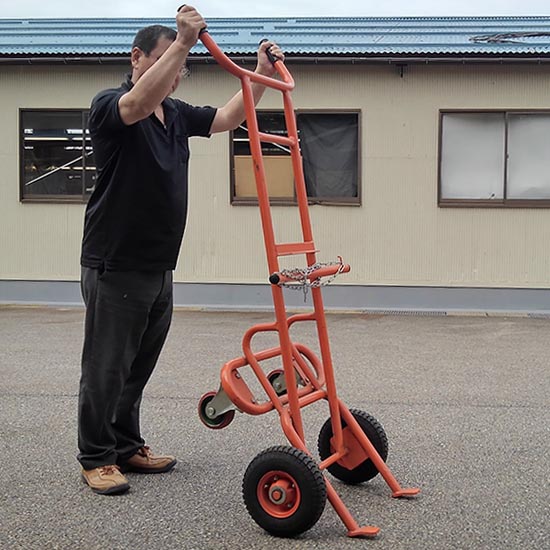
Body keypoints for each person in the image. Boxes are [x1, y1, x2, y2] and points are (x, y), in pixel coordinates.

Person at [78, 5, 284, 495]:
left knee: (137, 365)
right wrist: (184, 42)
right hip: (115, 261)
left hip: (158, 264)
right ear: (137, 58)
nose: (175, 74)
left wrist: (260, 73)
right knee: (107, 366)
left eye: (181, 67)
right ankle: (96, 456)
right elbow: (135, 105)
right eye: (165, 60)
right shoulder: (111, 104)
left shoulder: (175, 115)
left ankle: (125, 446)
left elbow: (230, 116)